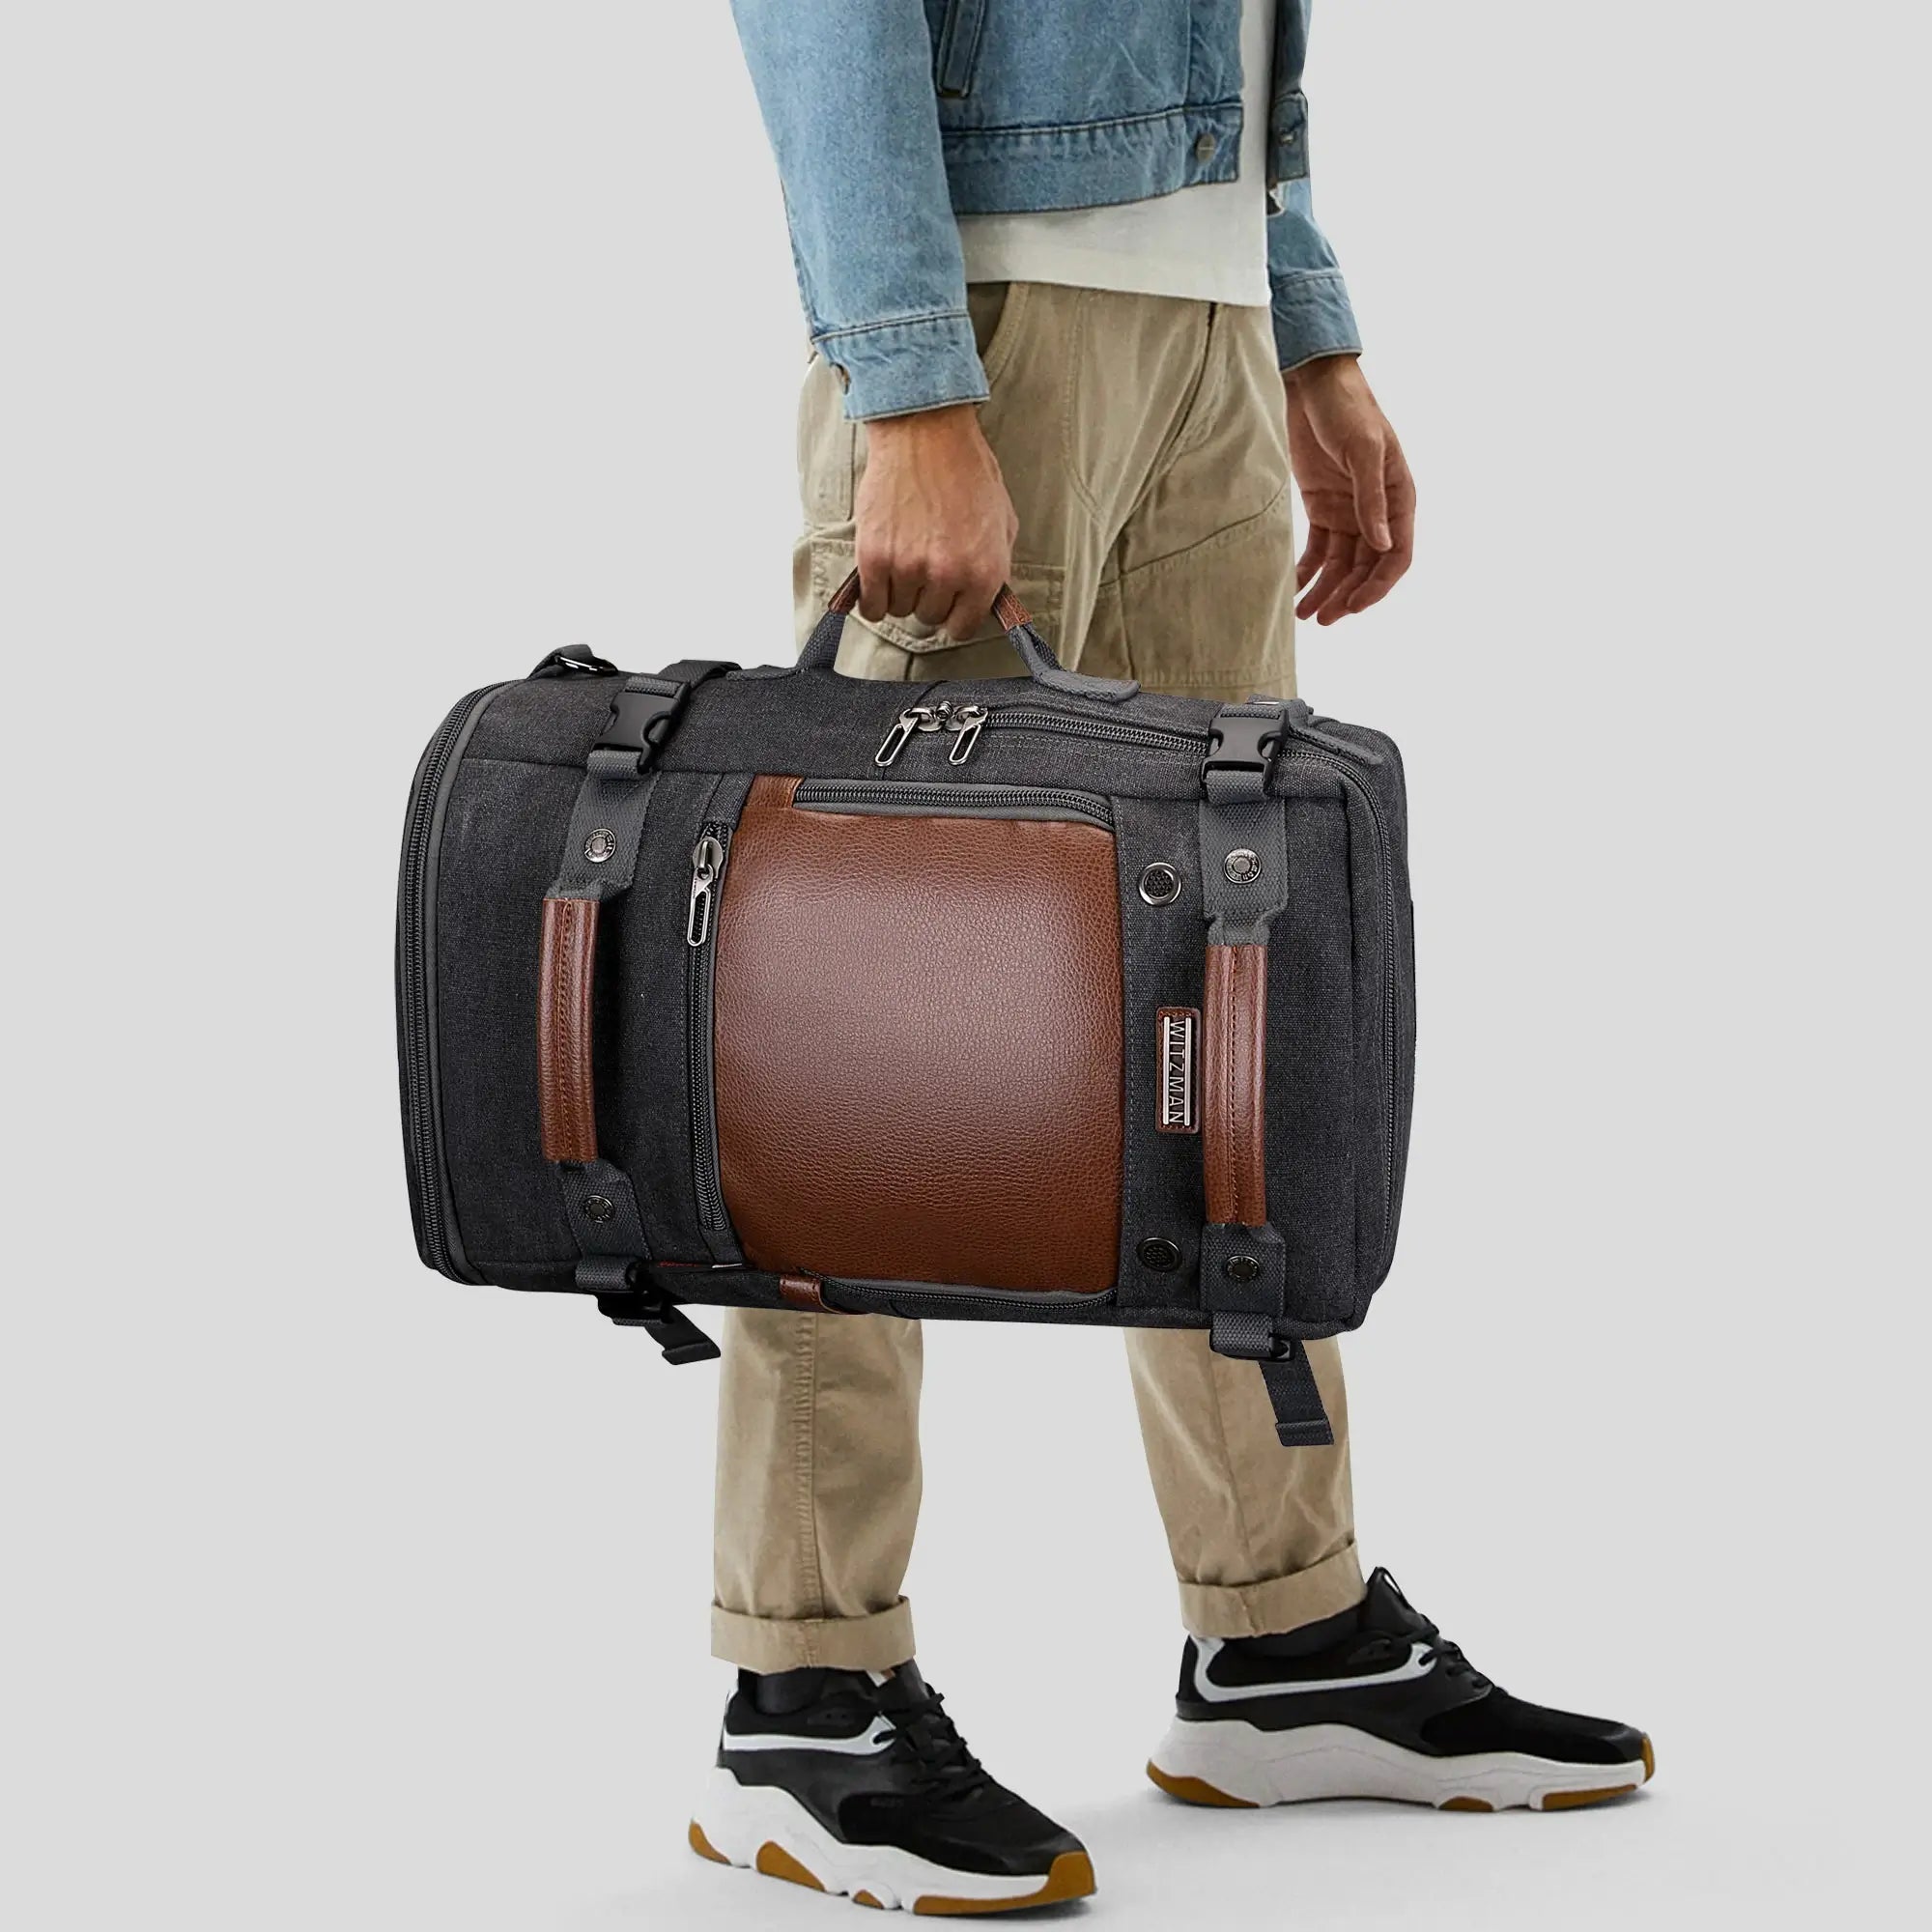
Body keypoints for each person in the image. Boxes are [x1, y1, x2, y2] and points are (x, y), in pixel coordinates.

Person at [686, 3, 1651, 1912]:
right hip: (988, 327)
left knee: (1237, 1003)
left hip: (1204, 325)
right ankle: (808, 1690)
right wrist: (908, 383)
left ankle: (1287, 1636)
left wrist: (1303, 326)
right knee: (857, 1027)